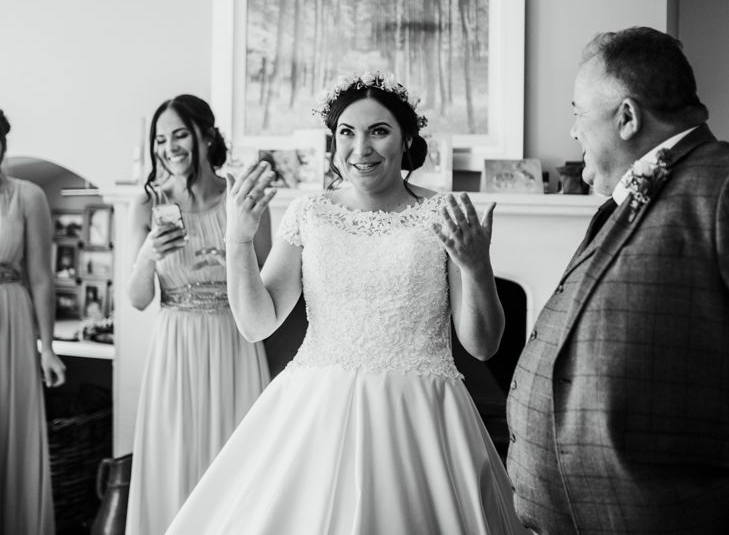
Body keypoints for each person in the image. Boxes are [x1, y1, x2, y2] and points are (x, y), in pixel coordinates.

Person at [166, 72, 527, 534]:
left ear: (407, 139)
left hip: (421, 416)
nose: (361, 149)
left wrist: (477, 267)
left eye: (379, 131)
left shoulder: (445, 212)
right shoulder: (309, 213)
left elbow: (482, 346)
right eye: (347, 133)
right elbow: (257, 323)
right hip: (315, 413)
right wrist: (238, 239)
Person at [506, 26, 729, 533]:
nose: (573, 131)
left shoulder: (721, 186)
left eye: (578, 112)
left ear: (627, 117)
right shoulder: (626, 198)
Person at [125, 95, 272, 535]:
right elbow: (136, 299)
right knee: (176, 461)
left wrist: (236, 245)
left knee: (236, 461)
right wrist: (148, 254)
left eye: (180, 135)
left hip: (234, 342)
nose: (169, 147)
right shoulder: (147, 203)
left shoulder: (240, 199)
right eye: (161, 139)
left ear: (206, 136)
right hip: (176, 348)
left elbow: (265, 291)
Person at [0, 109, 66, 535]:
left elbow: (41, 277)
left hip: (11, 318)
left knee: (13, 434)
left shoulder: (28, 196)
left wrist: (48, 347)